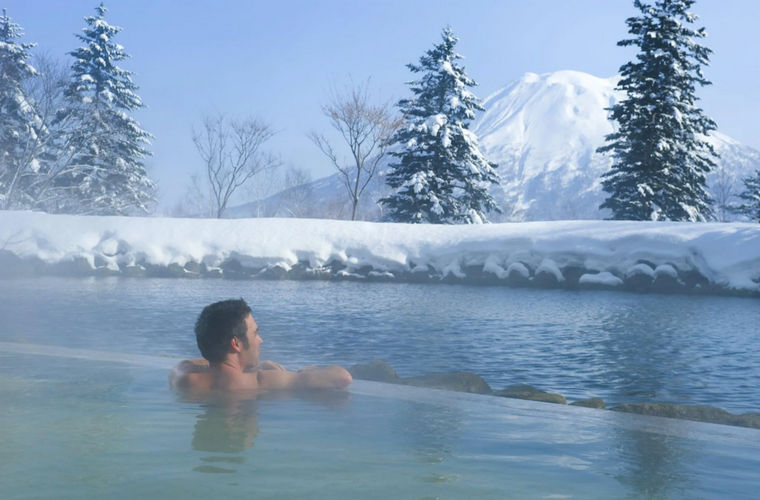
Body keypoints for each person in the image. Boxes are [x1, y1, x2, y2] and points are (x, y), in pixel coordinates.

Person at [170, 298, 352, 394]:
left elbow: (192, 362)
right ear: (236, 344)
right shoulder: (260, 381)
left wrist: (244, 367)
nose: (260, 340)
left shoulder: (183, 377)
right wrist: (307, 370)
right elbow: (342, 378)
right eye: (255, 333)